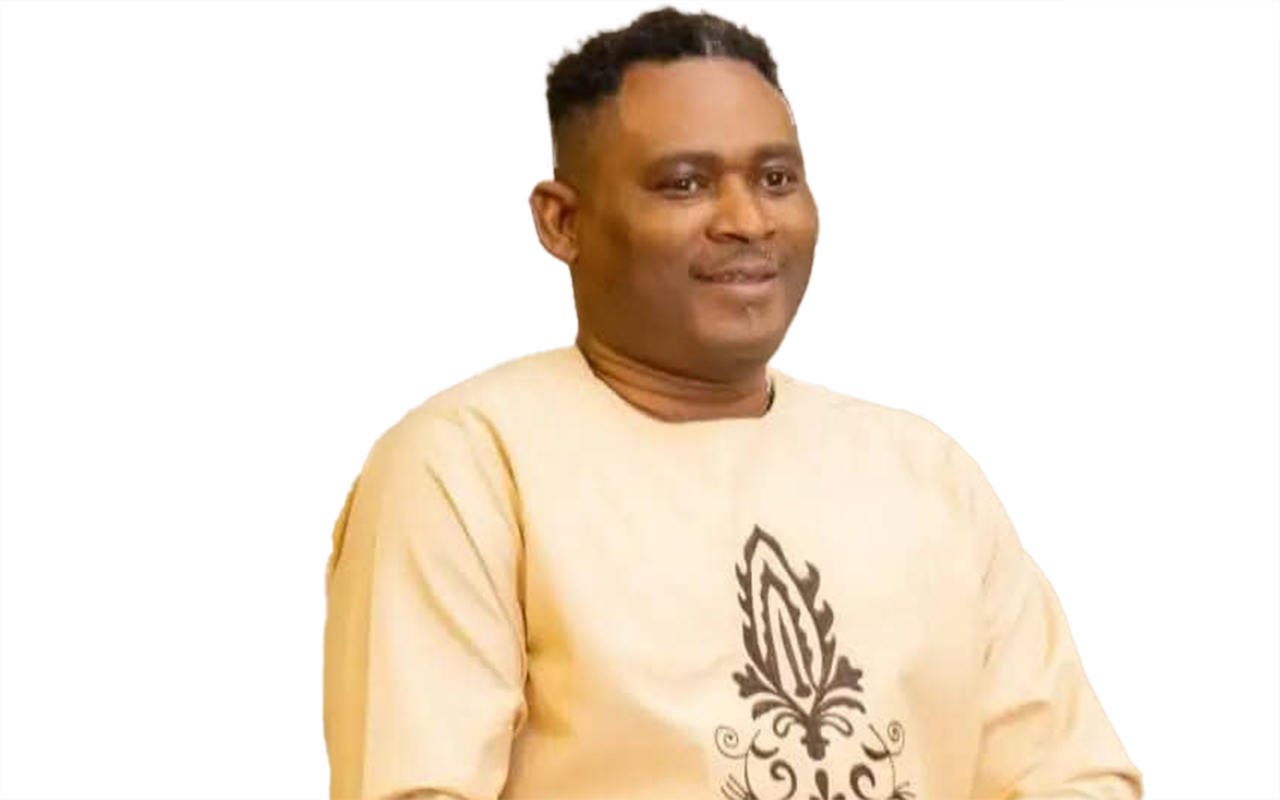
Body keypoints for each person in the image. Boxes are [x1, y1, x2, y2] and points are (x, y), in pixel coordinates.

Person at [323, 8, 1144, 799]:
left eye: (776, 179)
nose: (748, 220)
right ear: (562, 222)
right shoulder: (468, 465)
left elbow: (1073, 776)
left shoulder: (924, 471)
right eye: (684, 184)